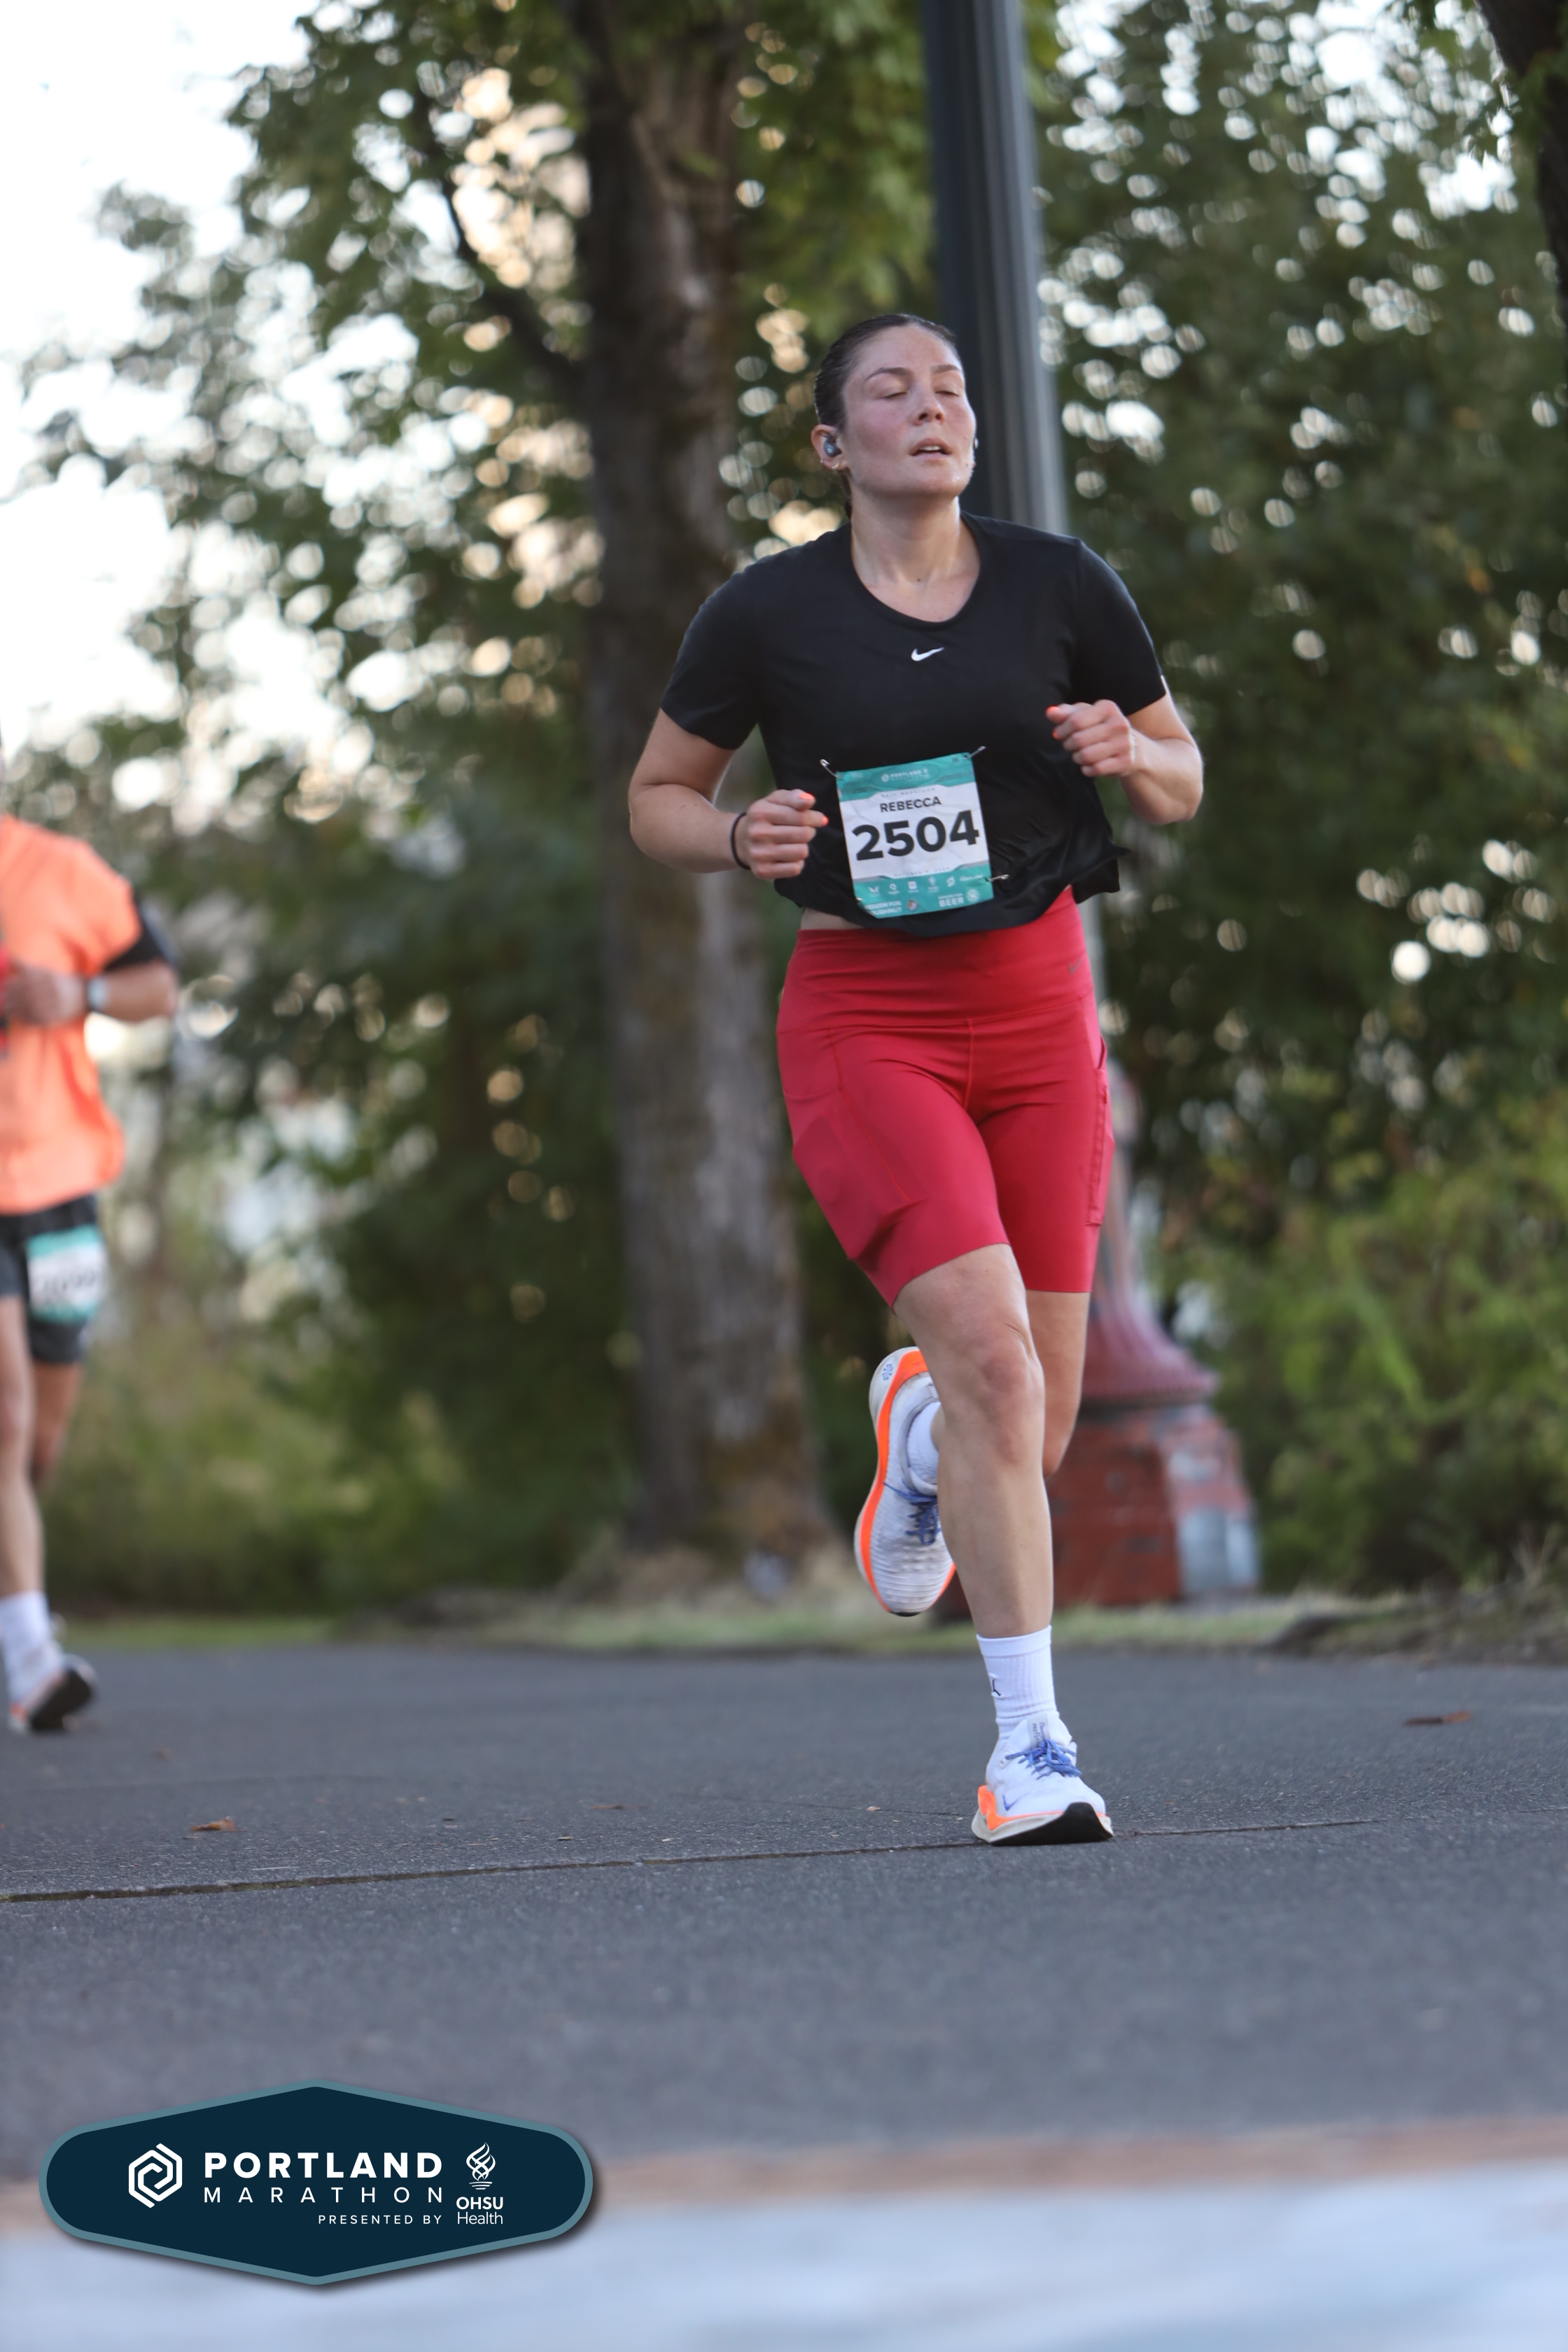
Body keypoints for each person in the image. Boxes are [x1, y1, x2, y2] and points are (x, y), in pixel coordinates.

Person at [629, 314, 1201, 1844]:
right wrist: (735, 836)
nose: (931, 406)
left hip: (1039, 1015)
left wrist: (1127, 753)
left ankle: (922, 1433)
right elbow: (657, 796)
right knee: (998, 1367)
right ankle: (1031, 1753)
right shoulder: (767, 614)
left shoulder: (1061, 586)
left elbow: (1182, 772)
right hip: (868, 1016)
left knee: (1035, 1419)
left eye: (949, 387)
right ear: (835, 444)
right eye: (892, 390)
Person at [0, 789, 180, 1731]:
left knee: (39, 1439)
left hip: (61, 1188)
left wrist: (80, 996)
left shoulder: (61, 869)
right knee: (4, 1413)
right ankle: (32, 1660)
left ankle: (12, 1605)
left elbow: (160, 986)